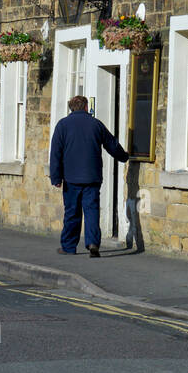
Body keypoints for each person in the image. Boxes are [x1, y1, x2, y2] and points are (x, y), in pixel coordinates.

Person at [49, 94, 129, 257]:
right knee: (91, 210)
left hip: (71, 178)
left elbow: (55, 153)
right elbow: (111, 144)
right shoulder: (96, 124)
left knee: (72, 212)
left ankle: (69, 247)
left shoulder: (62, 125)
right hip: (92, 177)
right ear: (86, 107)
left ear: (71, 108)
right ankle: (93, 243)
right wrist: (124, 157)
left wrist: (56, 177)